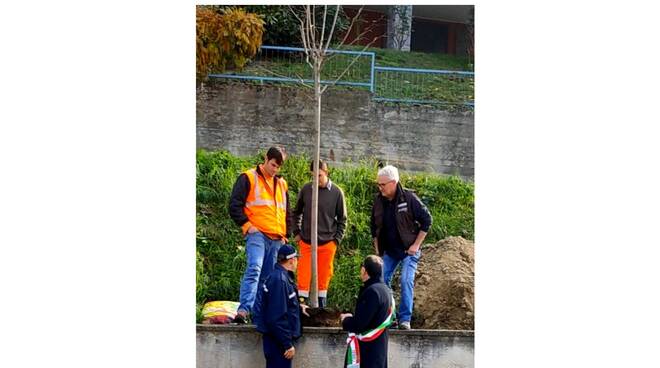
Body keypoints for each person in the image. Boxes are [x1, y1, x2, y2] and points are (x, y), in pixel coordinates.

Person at [229, 147, 293, 323]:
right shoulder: (248, 177)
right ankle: (243, 310)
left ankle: (258, 314)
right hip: (257, 233)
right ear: (266, 159)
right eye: (273, 165)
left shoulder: (282, 184)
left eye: (278, 167)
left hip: (277, 238)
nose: (275, 169)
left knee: (267, 278)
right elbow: (234, 205)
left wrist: (286, 234)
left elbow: (288, 212)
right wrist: (247, 225)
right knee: (254, 268)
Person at [371, 165, 432, 330]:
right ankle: (390, 317)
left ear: (393, 183)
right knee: (381, 280)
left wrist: (416, 245)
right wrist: (378, 252)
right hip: (389, 251)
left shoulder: (409, 198)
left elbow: (427, 220)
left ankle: (405, 319)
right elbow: (374, 229)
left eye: (382, 184)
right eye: (378, 184)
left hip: (408, 250)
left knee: (406, 280)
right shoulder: (378, 201)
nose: (380, 187)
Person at [293, 160, 347, 308]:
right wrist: (296, 231)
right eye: (313, 176)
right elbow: (296, 212)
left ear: (326, 173)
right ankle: (301, 308)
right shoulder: (306, 190)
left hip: (327, 242)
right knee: (303, 277)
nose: (316, 180)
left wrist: (336, 241)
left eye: (320, 176)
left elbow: (343, 219)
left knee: (323, 280)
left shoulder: (337, 192)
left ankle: (321, 309)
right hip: (307, 242)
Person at [253, 244, 309, 368]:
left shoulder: (280, 277)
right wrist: (287, 344)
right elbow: (276, 317)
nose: (297, 263)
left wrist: (299, 308)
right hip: (278, 343)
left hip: (277, 341)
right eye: (296, 259)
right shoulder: (280, 280)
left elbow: (283, 304)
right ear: (291, 260)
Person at [340, 255, 394, 368]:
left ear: (364, 270)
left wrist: (346, 320)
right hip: (379, 350)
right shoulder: (386, 290)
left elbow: (360, 324)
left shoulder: (372, 292)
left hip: (368, 352)